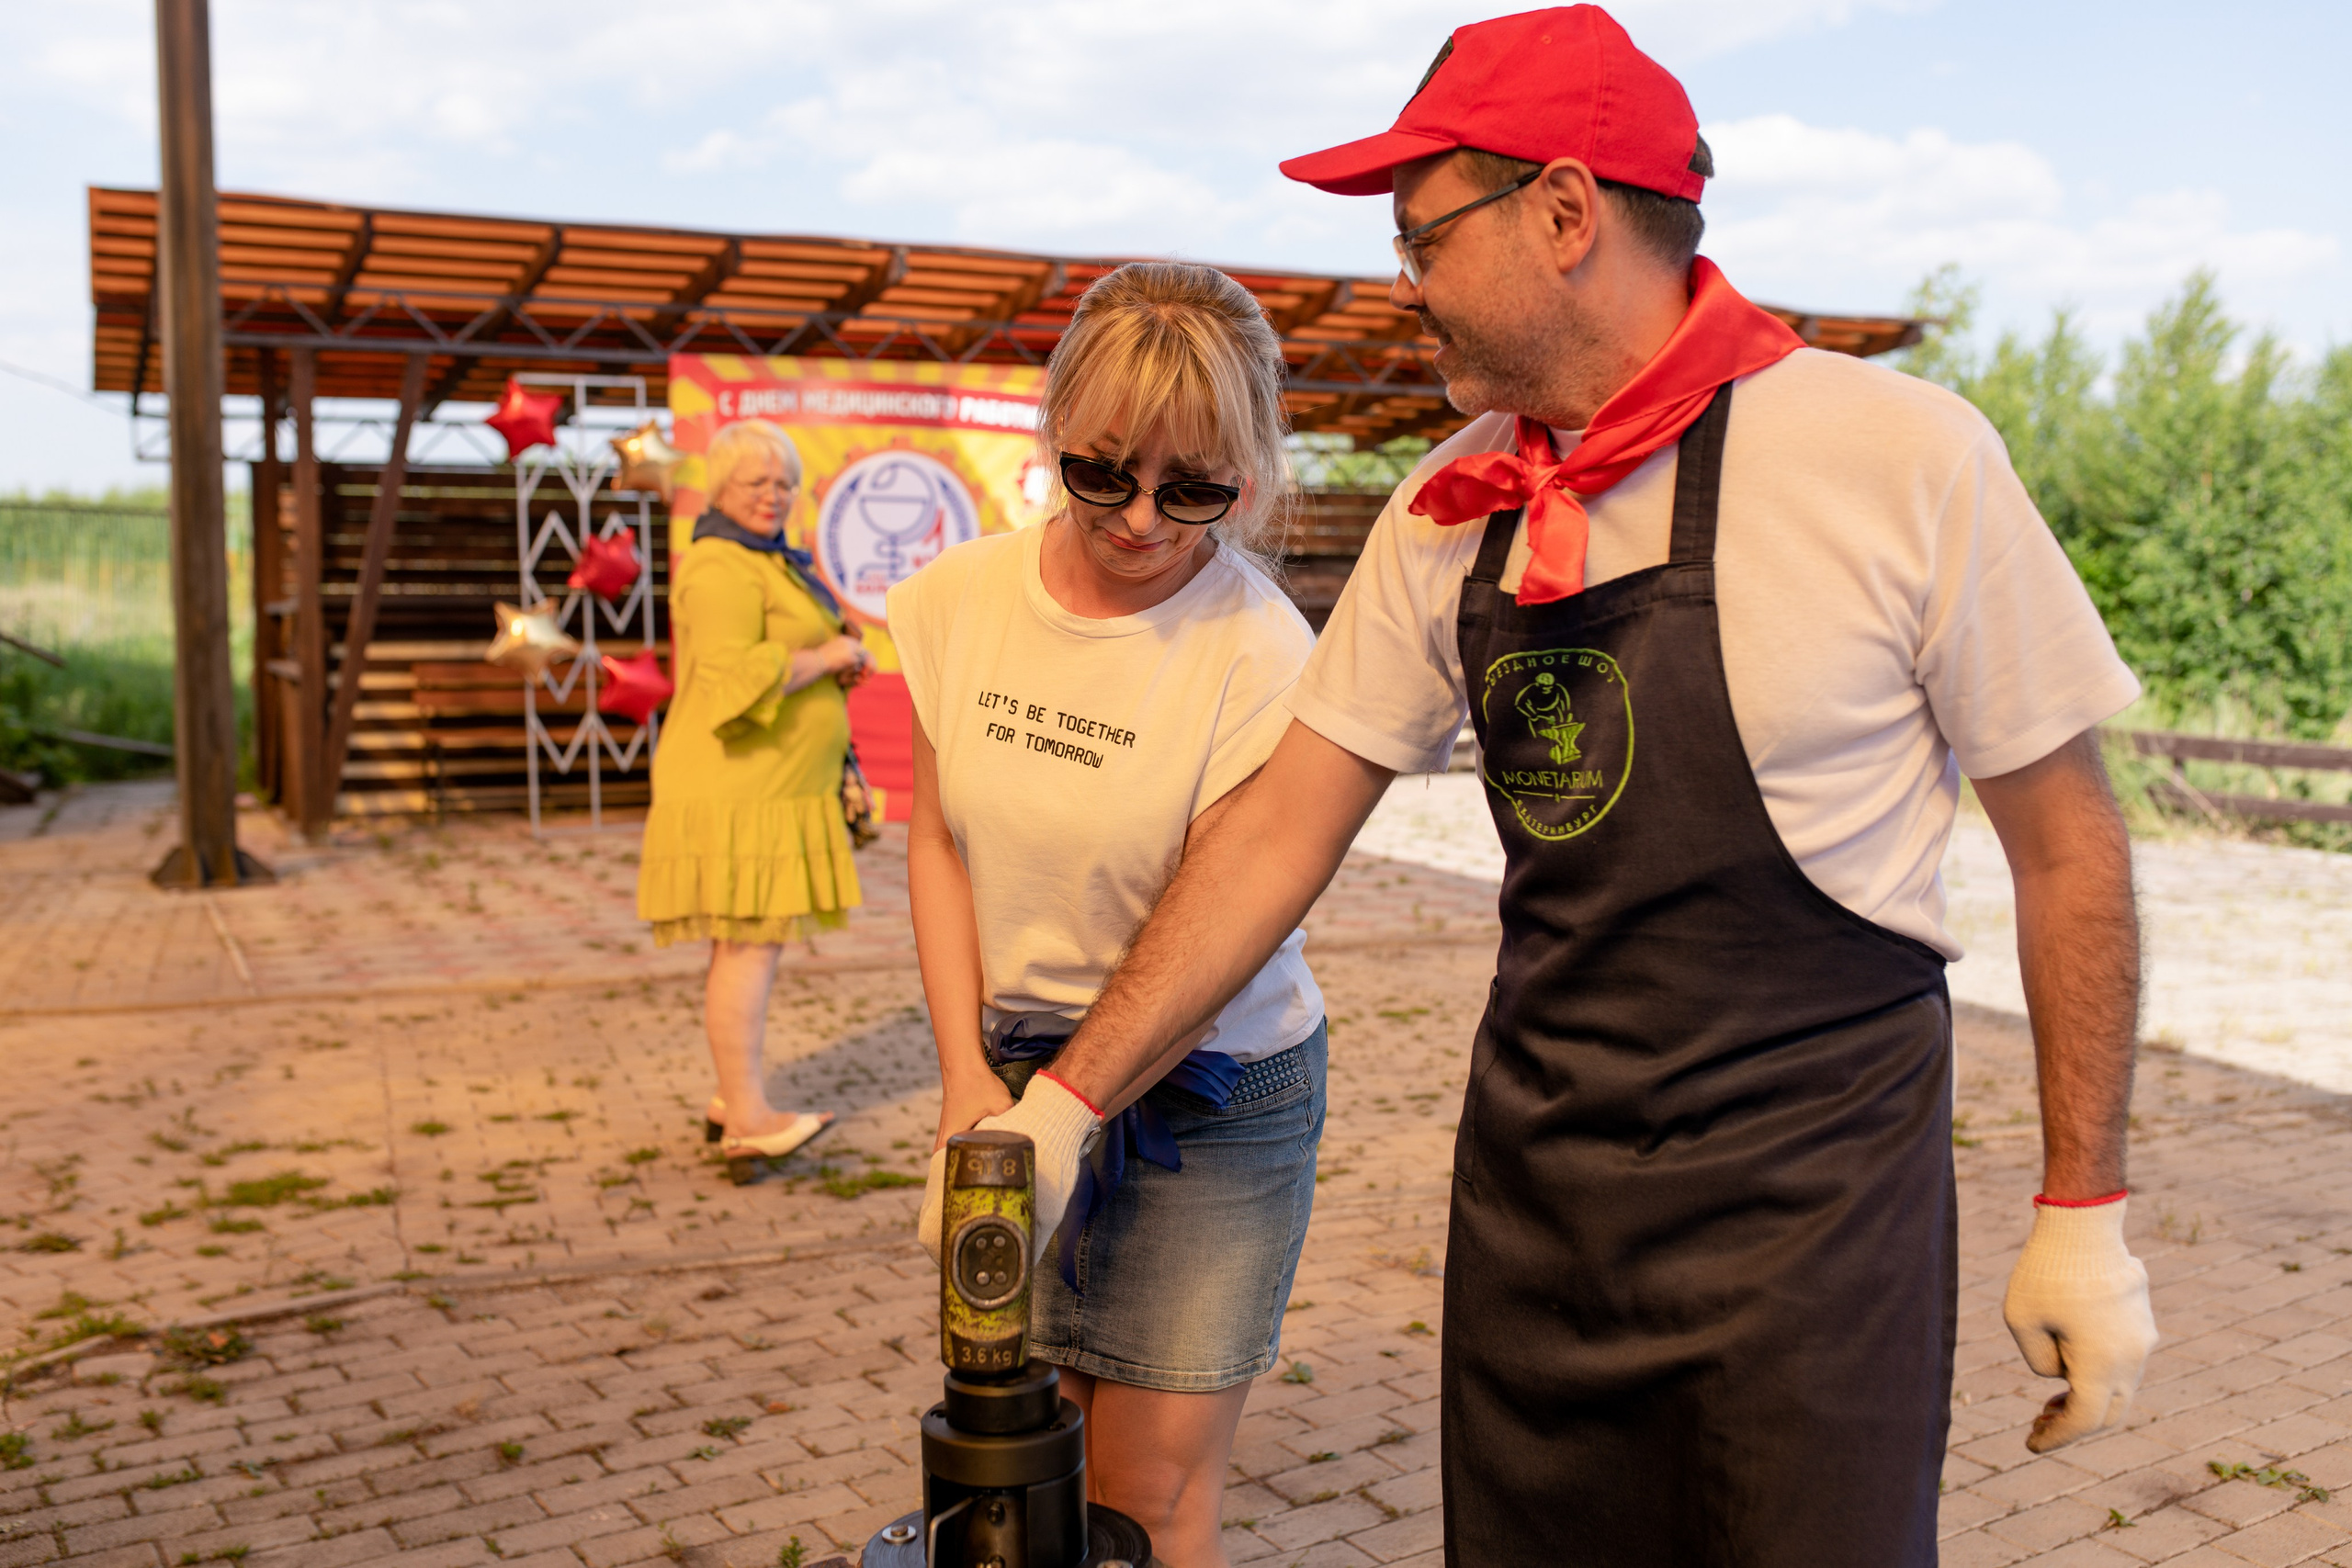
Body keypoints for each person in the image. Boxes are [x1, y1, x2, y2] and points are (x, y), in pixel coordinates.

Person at [970, 9, 2160, 1565]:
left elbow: (2070, 851)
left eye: (1421, 242)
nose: (1407, 293)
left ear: (1563, 210)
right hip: (1543, 1208)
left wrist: (2084, 1206)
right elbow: (1279, 825)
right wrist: (1069, 1099)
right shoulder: (1451, 509)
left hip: (1811, 1219)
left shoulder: (1898, 457)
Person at [892, 262, 1326, 1568]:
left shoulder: (1260, 649)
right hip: (1016, 1065)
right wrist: (969, 1075)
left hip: (1209, 1090)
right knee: (1025, 1470)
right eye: (1103, 474)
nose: (1142, 520)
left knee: (1144, 1492)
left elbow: (1217, 921)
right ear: (1055, 434)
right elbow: (938, 844)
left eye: (1195, 490)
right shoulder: (960, 603)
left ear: (1248, 472)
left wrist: (1065, 1107)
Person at [638, 419, 874, 1179]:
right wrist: (829, 653)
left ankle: (729, 1096)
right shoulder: (717, 567)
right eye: (755, 483)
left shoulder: (760, 559)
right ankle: (748, 1117)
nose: (773, 496)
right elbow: (730, 679)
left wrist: (830, 659)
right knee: (747, 946)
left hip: (772, 786)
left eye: (783, 483)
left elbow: (779, 657)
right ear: (719, 487)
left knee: (743, 947)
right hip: (741, 789)